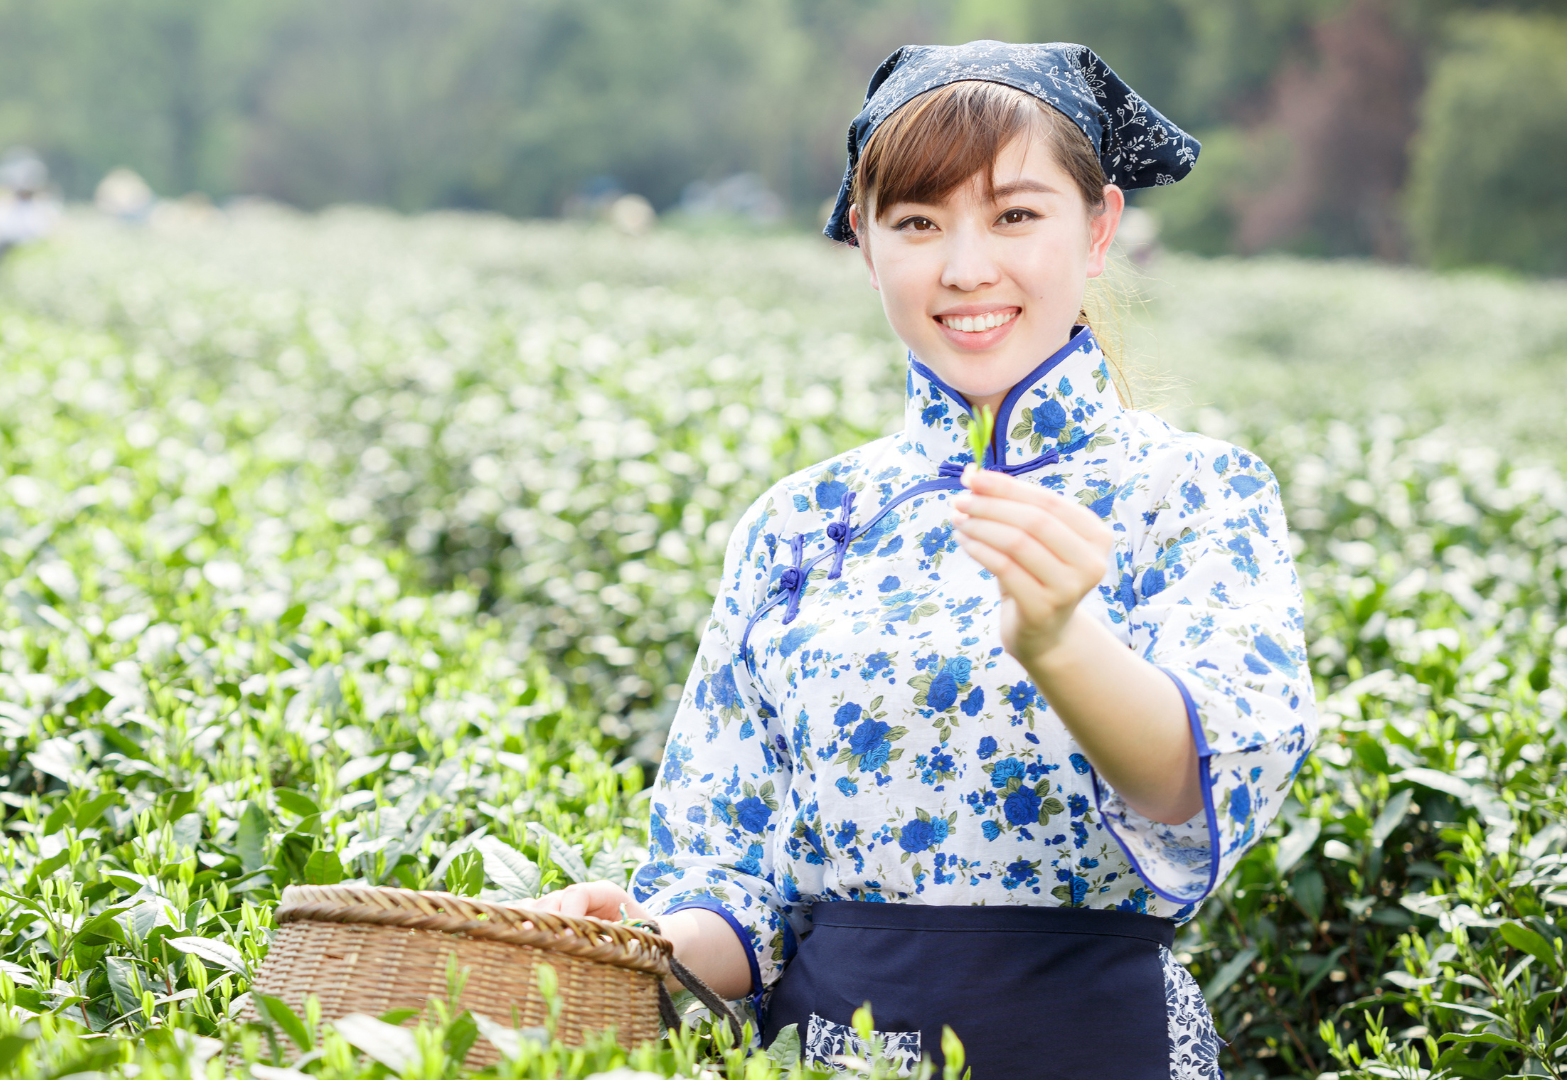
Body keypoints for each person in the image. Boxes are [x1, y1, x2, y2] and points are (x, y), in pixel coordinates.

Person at [516, 40, 1317, 1079]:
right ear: (865, 242)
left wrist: (1060, 642)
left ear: (1099, 228)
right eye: (917, 222)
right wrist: (637, 942)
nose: (966, 267)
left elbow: (1197, 785)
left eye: (1015, 215)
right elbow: (731, 875)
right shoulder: (799, 522)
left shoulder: (1195, 493)